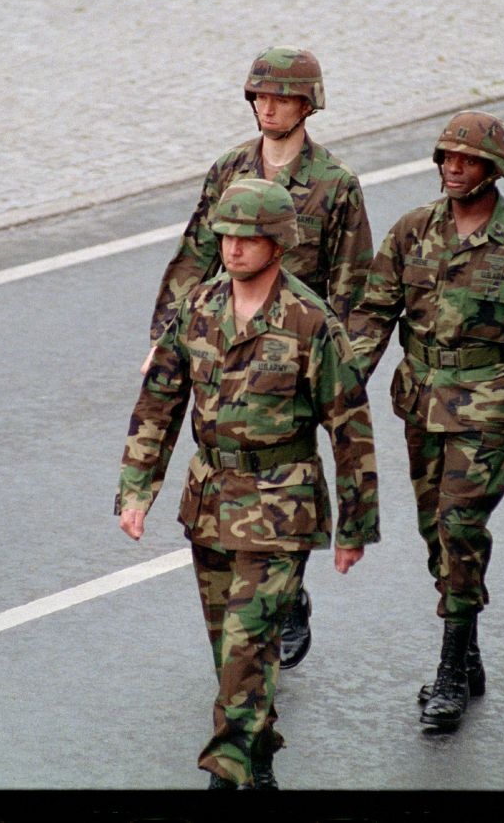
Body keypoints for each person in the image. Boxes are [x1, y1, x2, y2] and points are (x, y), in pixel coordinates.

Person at [117, 178, 380, 790]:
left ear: (278, 243)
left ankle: (225, 774)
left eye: (248, 237)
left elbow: (350, 428)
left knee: (246, 646)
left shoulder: (311, 322)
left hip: (280, 507)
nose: (233, 248)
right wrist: (136, 490)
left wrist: (355, 525)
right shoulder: (199, 308)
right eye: (227, 235)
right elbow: (158, 404)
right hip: (209, 501)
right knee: (232, 653)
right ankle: (258, 764)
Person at [143, 45, 374, 670]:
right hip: (227, 340)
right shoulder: (229, 169)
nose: (267, 107)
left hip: (300, 352)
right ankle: (278, 598)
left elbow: (354, 286)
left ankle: (286, 586)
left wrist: (344, 370)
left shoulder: (335, 185)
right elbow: (195, 257)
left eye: (281, 97)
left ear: (307, 104)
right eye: (260, 96)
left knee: (290, 474)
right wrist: (164, 338)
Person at [346, 111, 504, 731]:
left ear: (492, 170)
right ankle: (467, 648)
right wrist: (342, 386)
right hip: (420, 400)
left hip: (487, 403)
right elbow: (371, 315)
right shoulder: (412, 232)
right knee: (432, 533)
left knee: (460, 524)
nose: (451, 167)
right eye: (445, 157)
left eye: (465, 160)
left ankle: (450, 670)